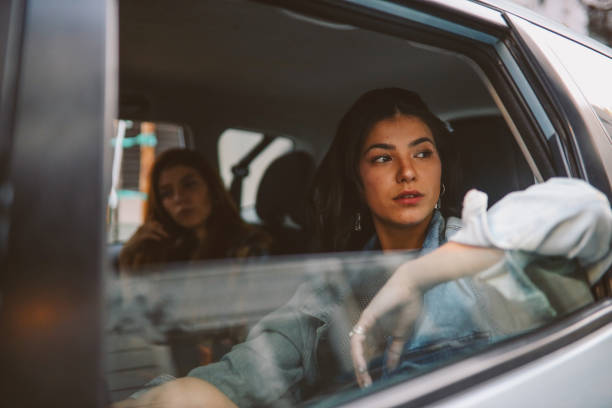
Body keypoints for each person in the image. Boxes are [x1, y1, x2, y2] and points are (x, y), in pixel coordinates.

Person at [113, 89, 612, 407]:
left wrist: (419, 275)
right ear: (357, 180)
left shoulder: (482, 242)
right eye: (382, 158)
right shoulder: (328, 292)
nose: (408, 172)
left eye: (423, 152)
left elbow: (588, 208)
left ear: (441, 172)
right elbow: (239, 377)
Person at [118, 148, 271, 273]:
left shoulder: (248, 246)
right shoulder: (168, 248)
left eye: (189, 185)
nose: (178, 198)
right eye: (167, 193)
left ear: (212, 190)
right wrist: (131, 252)